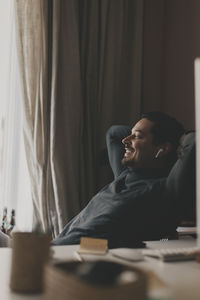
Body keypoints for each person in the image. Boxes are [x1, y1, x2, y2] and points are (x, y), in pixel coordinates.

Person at [52, 111, 195, 248]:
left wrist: (179, 137)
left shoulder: (165, 189)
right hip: (56, 247)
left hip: (75, 253)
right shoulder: (124, 174)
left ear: (163, 148)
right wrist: (137, 135)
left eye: (137, 136)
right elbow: (114, 133)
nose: (125, 140)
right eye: (130, 135)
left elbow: (194, 141)